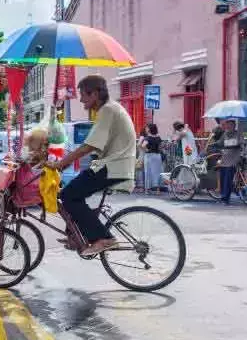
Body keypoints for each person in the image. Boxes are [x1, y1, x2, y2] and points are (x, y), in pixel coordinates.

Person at [47, 75, 136, 256]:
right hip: (112, 164)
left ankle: (104, 238)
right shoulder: (109, 110)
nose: (81, 100)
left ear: (95, 94)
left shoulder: (107, 110)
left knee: (69, 195)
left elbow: (90, 145)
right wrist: (64, 163)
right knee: (72, 192)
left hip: (114, 166)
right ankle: (77, 234)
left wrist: (63, 162)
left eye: (83, 95)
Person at [217, 119, 244, 205]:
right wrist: (212, 143)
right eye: (227, 125)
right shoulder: (225, 134)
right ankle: (223, 196)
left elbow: (242, 144)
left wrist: (241, 150)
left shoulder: (238, 134)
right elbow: (220, 143)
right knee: (222, 178)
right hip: (224, 159)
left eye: (230, 125)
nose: (228, 127)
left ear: (234, 126)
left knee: (227, 179)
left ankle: (226, 198)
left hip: (233, 159)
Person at [141, 123, 163, 193]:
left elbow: (143, 145)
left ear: (150, 129)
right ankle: (158, 190)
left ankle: (147, 190)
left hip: (149, 156)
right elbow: (161, 147)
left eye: (147, 128)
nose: (146, 129)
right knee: (158, 172)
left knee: (148, 172)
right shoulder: (158, 137)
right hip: (157, 156)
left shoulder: (147, 138)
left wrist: (146, 150)